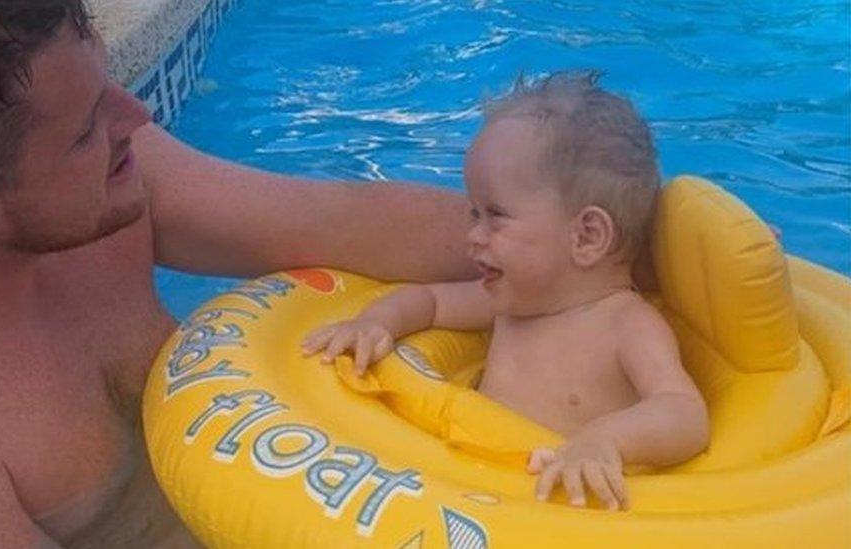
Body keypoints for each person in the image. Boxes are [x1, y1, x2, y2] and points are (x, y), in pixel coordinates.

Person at [0, 2, 479, 547]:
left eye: (106, 81)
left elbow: (346, 222)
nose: (137, 114)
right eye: (86, 128)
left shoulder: (101, 175)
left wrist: (557, 256)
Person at [302, 72, 710, 512]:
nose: (472, 236)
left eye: (495, 215)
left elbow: (684, 413)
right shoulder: (508, 302)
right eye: (474, 213)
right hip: (468, 488)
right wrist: (375, 324)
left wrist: (602, 441)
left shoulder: (627, 325)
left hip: (554, 517)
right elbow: (429, 302)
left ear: (587, 236)